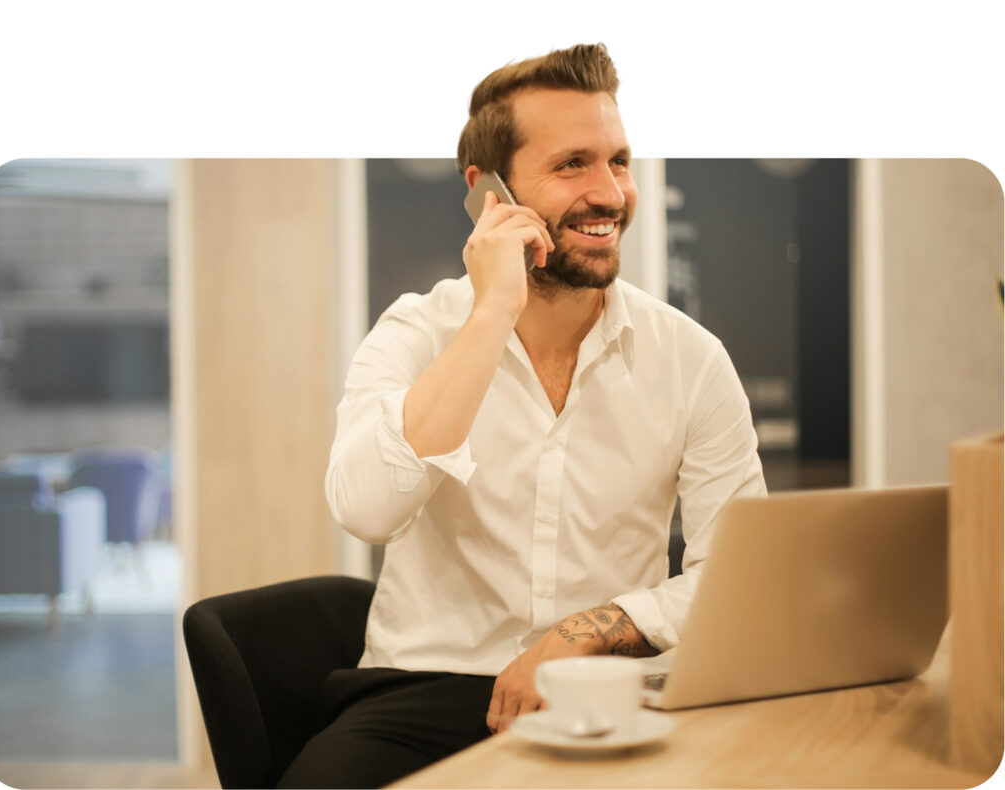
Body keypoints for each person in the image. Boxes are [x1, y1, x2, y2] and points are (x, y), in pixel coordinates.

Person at [279, 43, 766, 788]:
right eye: (573, 164)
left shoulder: (692, 359)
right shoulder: (415, 333)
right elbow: (367, 510)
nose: (610, 193)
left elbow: (736, 576)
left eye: (619, 161)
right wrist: (492, 312)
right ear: (489, 192)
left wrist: (582, 633)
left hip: (611, 689)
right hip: (422, 690)